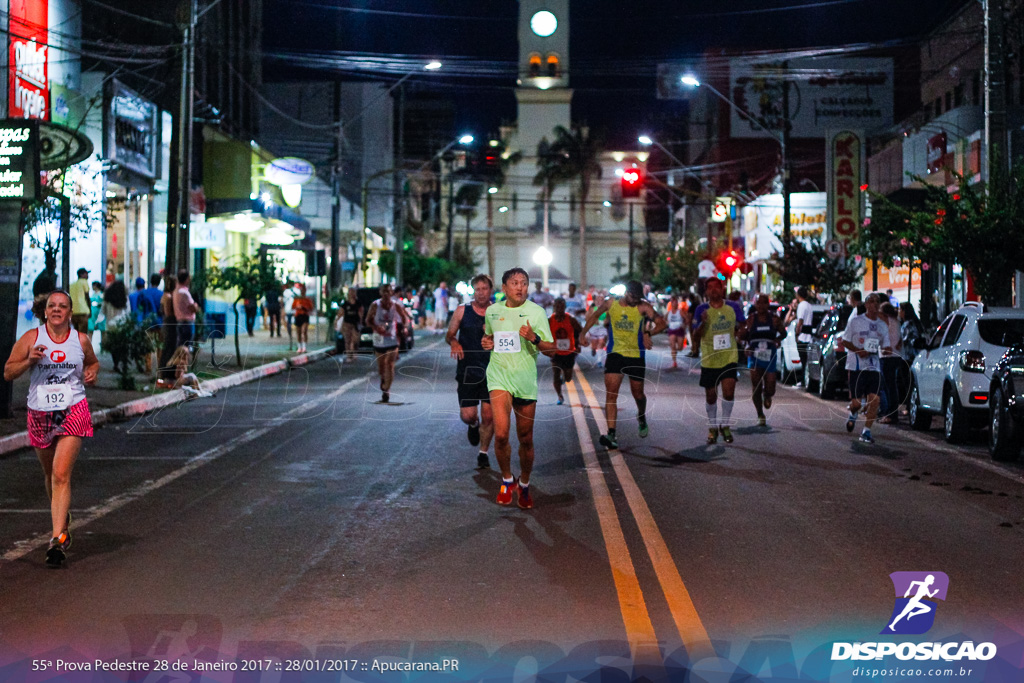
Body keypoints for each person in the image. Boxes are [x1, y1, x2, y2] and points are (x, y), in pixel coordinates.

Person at [3, 290, 99, 567]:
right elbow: (8, 372)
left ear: (71, 312)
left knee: (60, 474)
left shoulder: (81, 340)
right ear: (45, 311)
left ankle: (57, 540)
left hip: (73, 410)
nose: (57, 310)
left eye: (63, 306)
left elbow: (92, 362)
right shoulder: (31, 339)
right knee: (49, 474)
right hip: (40, 413)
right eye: (52, 306)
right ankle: (63, 519)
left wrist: (92, 371)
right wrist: (29, 360)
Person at [480, 267, 556, 509]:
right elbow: (489, 338)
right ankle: (506, 480)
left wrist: (534, 338)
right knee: (501, 434)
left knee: (526, 438)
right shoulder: (492, 312)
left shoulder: (536, 312)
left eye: (524, 283)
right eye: (514, 283)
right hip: (499, 376)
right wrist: (486, 342)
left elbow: (551, 349)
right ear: (504, 288)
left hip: (524, 379)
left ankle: (524, 483)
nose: (520, 287)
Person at [582, 279, 667, 449]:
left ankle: (641, 416)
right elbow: (595, 316)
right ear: (627, 293)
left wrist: (648, 333)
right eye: (634, 297)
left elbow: (662, 323)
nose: (636, 301)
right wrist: (583, 333)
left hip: (635, 355)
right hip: (615, 354)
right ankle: (611, 434)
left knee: (638, 394)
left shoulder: (643, 307)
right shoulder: (611, 303)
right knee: (611, 394)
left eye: (638, 298)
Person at [447, 274, 496, 468]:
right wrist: (454, 342)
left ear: (490, 290)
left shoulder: (498, 312)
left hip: (493, 370)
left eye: (484, 289)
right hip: (468, 369)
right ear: (473, 291)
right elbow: (449, 334)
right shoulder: (462, 311)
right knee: (467, 415)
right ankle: (473, 425)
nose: (481, 293)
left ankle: (483, 453)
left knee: (489, 415)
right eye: (477, 289)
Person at [692, 278, 746, 444]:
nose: (714, 290)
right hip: (709, 359)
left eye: (717, 287)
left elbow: (743, 325)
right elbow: (695, 334)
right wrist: (703, 322)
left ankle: (726, 425)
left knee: (729, 392)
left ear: (722, 289)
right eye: (710, 288)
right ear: (706, 291)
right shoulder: (701, 309)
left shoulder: (733, 307)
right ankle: (713, 427)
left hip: (729, 357)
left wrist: (739, 335)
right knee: (711, 396)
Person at [841, 293, 892, 444]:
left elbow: (886, 345)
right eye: (872, 301)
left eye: (878, 302)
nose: (875, 304)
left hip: (874, 366)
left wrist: (887, 349)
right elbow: (845, 341)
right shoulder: (856, 321)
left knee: (875, 400)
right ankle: (852, 412)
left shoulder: (882, 325)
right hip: (857, 366)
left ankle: (866, 431)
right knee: (857, 403)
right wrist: (858, 350)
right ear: (866, 304)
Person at [745, 294, 787, 427]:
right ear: (755, 304)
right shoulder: (751, 319)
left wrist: (778, 340)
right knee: (755, 385)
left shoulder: (774, 319)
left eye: (764, 303)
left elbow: (784, 333)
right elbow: (745, 335)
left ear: (768, 304)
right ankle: (760, 414)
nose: (761, 306)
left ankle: (767, 395)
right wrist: (746, 346)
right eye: (758, 303)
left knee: (771, 385)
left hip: (769, 354)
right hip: (755, 354)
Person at [365, 283, 410, 403]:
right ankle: (384, 384)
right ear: (380, 293)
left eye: (388, 291)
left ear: (391, 293)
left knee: (389, 363)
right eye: (383, 291)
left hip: (392, 337)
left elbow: (405, 318)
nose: (386, 294)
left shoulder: (396, 305)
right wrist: (376, 327)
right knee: (381, 367)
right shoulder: (375, 305)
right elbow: (368, 320)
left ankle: (387, 389)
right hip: (379, 338)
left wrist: (404, 327)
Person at [545, 297, 583, 405]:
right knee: (556, 374)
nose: (559, 309)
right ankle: (560, 396)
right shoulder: (549, 320)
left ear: (565, 307)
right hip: (555, 352)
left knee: (568, 378)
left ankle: (564, 378)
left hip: (569, 352)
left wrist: (578, 343)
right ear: (554, 307)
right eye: (557, 306)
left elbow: (580, 331)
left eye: (561, 306)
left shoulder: (571, 319)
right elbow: (543, 334)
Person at [878, 302, 903, 424]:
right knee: (891, 385)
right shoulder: (897, 321)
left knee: (888, 387)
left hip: (888, 356)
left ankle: (890, 414)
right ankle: (891, 413)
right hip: (895, 355)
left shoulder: (887, 319)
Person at [101, 279, 130, 372]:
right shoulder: (125, 298)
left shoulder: (107, 299)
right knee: (124, 345)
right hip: (122, 325)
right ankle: (124, 364)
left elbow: (103, 311)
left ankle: (116, 363)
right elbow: (128, 312)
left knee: (114, 346)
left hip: (110, 325)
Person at [158, 276, 178, 387]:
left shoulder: (164, 296)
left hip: (166, 323)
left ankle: (164, 372)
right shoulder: (169, 297)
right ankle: (167, 372)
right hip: (170, 324)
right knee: (169, 348)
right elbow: (169, 312)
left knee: (167, 348)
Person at [172, 269, 200, 351]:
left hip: (180, 321)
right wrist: (196, 305)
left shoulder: (176, 291)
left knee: (181, 345)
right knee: (186, 347)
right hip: (187, 323)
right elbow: (193, 308)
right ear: (187, 279)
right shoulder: (184, 293)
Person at [336, 288, 363, 363]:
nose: (351, 294)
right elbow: (341, 312)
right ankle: (349, 356)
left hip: (355, 323)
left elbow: (361, 312)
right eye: (350, 292)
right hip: (347, 323)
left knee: (355, 339)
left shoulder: (358, 303)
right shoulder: (345, 303)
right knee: (347, 340)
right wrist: (337, 320)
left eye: (353, 292)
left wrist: (361, 321)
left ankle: (354, 351)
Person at [583, 301, 609, 367]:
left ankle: (599, 361)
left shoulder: (606, 310)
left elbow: (608, 319)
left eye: (601, 299)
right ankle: (593, 349)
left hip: (602, 328)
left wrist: (605, 322)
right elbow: (587, 318)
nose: (600, 301)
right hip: (594, 328)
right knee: (594, 344)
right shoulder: (592, 309)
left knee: (601, 342)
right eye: (599, 299)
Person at [665, 294, 687, 368]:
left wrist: (684, 324)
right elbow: (664, 319)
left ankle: (676, 350)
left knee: (680, 347)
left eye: (676, 302)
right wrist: (667, 323)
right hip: (672, 330)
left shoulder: (680, 312)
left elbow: (687, 319)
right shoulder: (669, 312)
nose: (675, 304)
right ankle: (674, 361)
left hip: (679, 329)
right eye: (673, 302)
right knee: (673, 345)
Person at [68, 268, 92, 333]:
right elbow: (87, 297)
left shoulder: (72, 284)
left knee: (76, 333)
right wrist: (90, 309)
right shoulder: (84, 282)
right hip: (83, 310)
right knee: (83, 333)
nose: (87, 275)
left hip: (74, 311)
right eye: (86, 273)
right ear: (81, 275)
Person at [292, 283, 314, 353]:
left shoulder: (307, 300)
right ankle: (299, 347)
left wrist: (304, 307)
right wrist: (297, 307)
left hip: (305, 316)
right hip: (298, 316)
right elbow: (293, 307)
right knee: (298, 332)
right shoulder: (297, 299)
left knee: (304, 331)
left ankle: (304, 347)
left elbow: (311, 308)